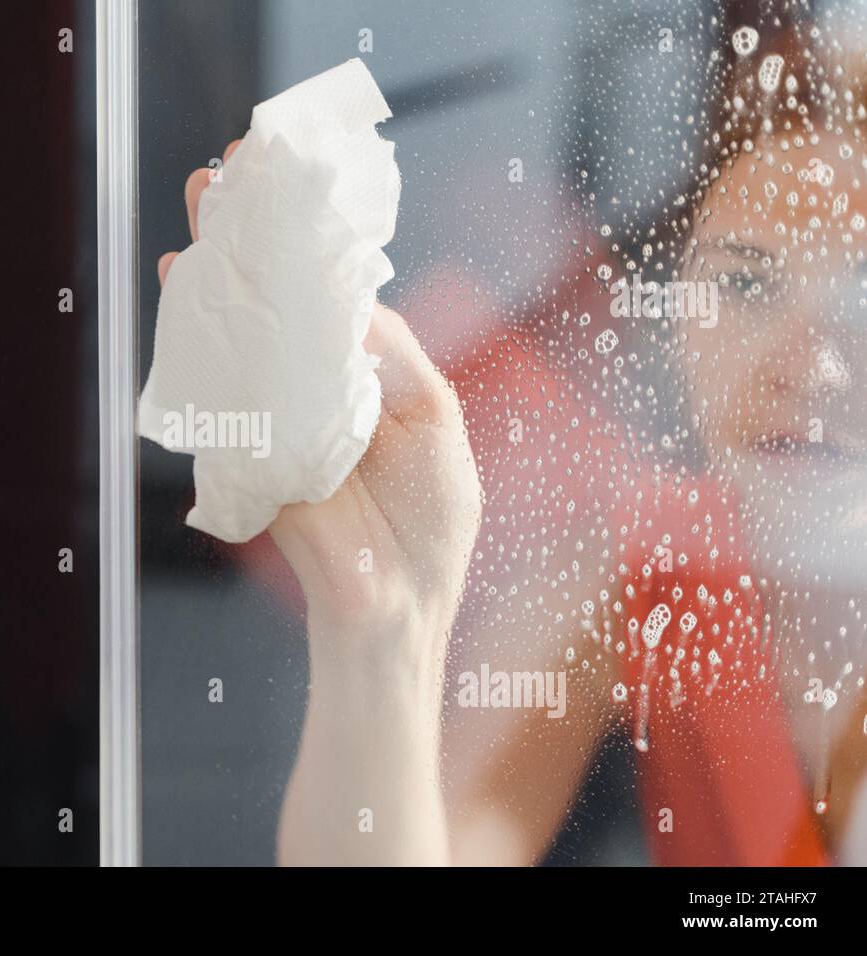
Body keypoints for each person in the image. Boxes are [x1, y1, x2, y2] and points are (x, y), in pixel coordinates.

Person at [156, 10, 867, 866]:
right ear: (675, 320)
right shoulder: (629, 579)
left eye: (861, 296)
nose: (809, 364)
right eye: (746, 282)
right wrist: (381, 622)